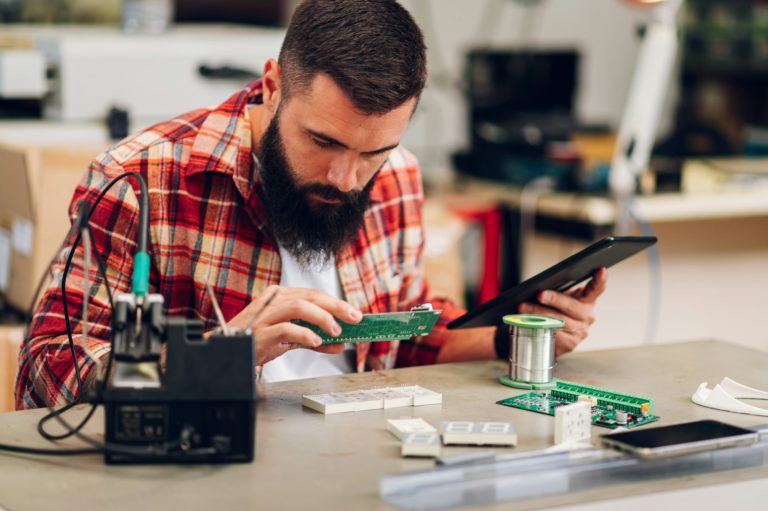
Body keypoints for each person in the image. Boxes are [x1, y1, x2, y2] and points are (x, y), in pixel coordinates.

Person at [15, 0, 606, 409]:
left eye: (373, 150)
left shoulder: (395, 175)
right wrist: (218, 356)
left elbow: (401, 341)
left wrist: (517, 334)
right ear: (272, 87)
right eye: (323, 141)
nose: (346, 178)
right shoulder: (141, 181)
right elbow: (48, 372)